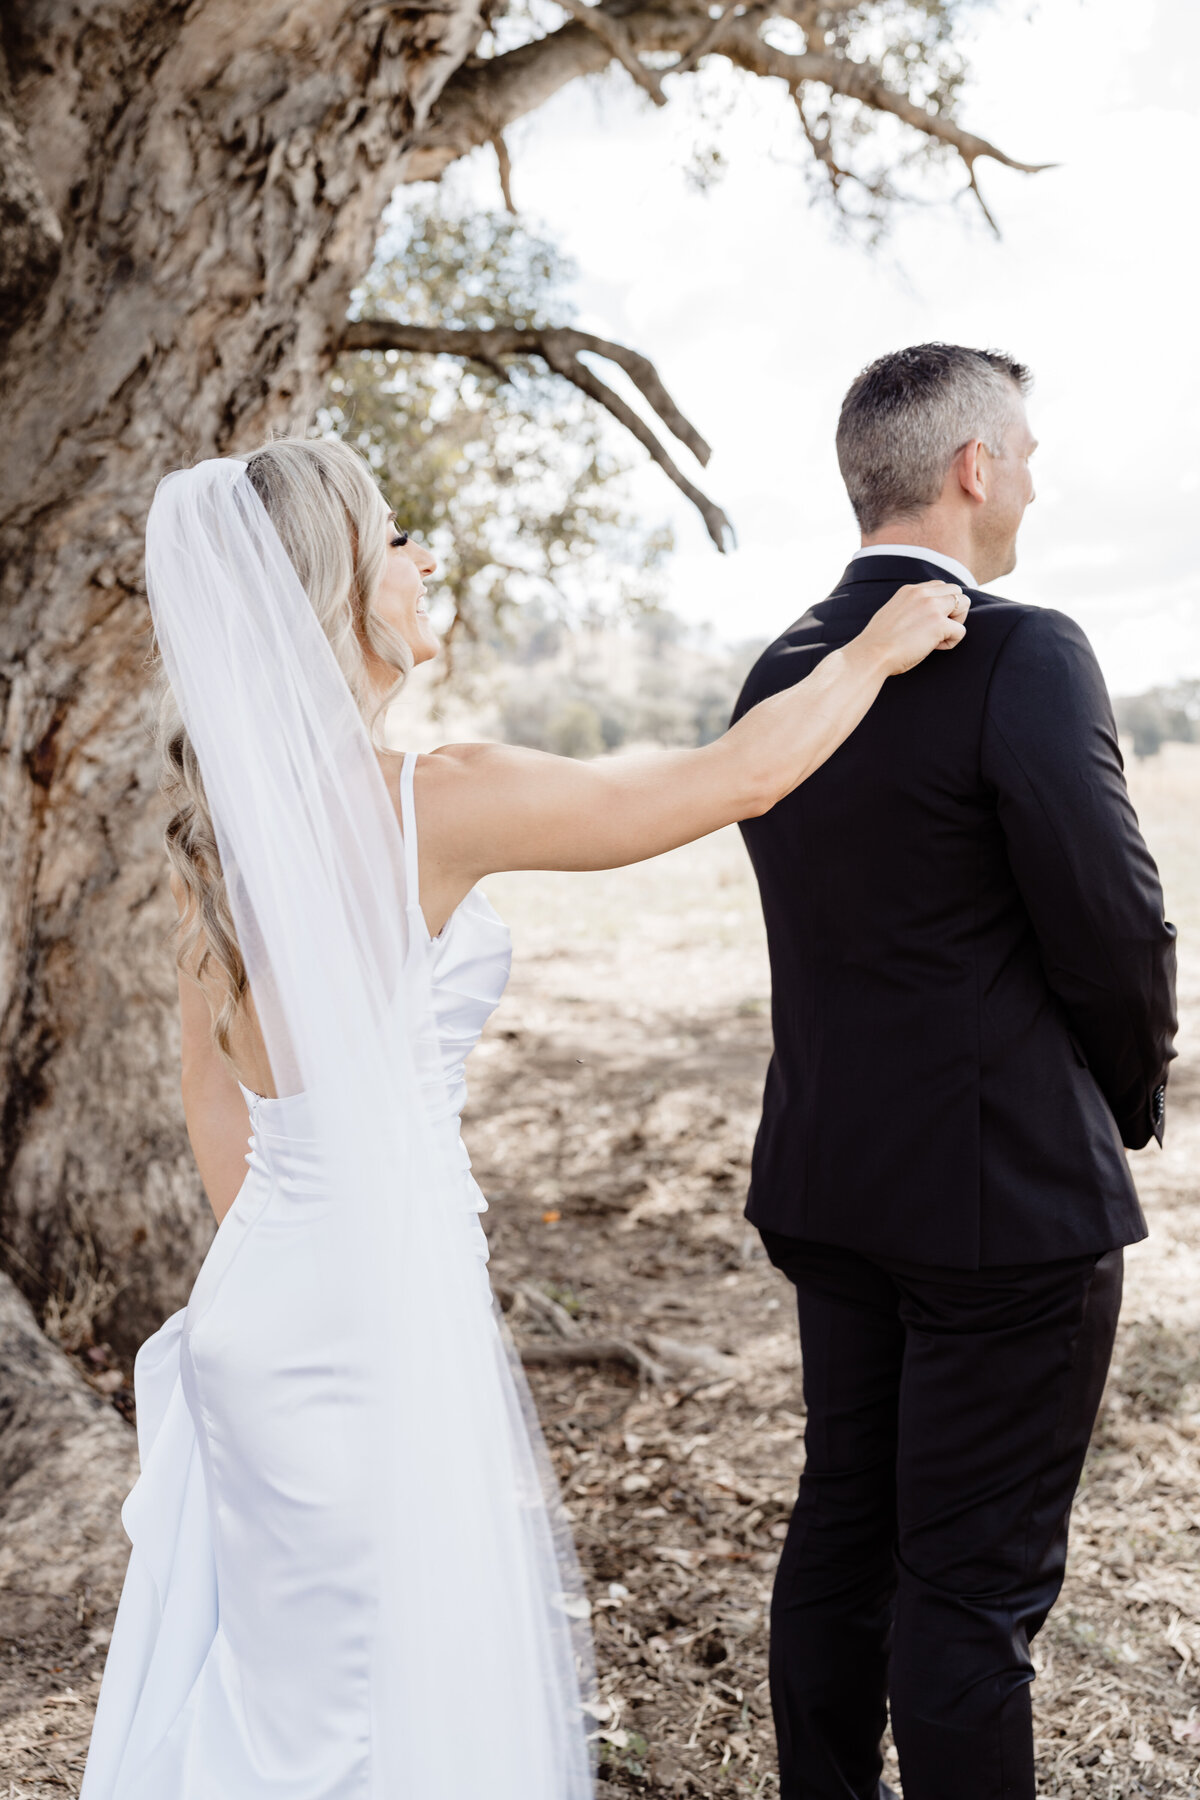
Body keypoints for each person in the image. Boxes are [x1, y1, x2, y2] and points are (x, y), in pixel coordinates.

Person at [79, 436, 968, 1800]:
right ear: (332, 587)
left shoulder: (241, 841)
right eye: (393, 535)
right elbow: (727, 781)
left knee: (293, 1705)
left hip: (259, 1310)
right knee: (375, 1718)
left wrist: (311, 1267)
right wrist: (876, 648)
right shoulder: (435, 798)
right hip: (364, 1325)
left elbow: (222, 1117)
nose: (424, 556)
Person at [732, 342, 1178, 1800]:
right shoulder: (1025, 650)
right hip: (1005, 1212)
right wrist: (1125, 1096)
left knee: (844, 1530)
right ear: (974, 468)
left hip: (830, 1177)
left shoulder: (781, 669)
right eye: (1028, 453)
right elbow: (1115, 925)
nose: (1039, 479)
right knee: (971, 1594)